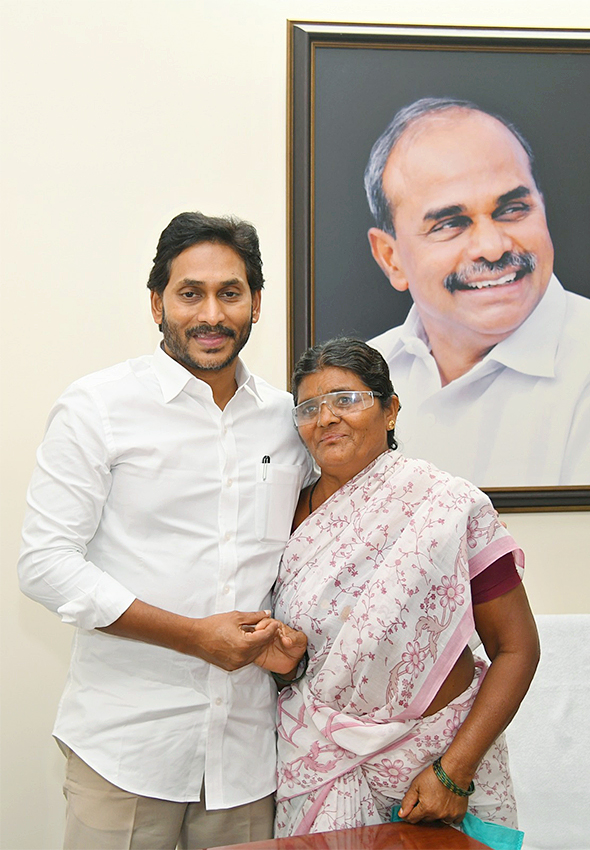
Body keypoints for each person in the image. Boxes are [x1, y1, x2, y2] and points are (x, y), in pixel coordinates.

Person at [17, 212, 313, 850]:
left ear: (256, 304)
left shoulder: (289, 422)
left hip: (247, 755)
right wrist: (192, 637)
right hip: (128, 748)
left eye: (230, 293)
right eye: (190, 293)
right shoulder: (97, 407)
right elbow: (44, 564)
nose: (212, 313)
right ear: (157, 303)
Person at [254, 337, 540, 837]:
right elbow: (308, 656)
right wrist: (287, 665)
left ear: (390, 410)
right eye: (309, 408)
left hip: (431, 769)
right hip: (319, 763)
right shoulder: (282, 515)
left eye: (347, 400)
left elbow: (517, 649)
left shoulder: (448, 506)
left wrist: (456, 771)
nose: (326, 419)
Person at [364, 97, 590, 488]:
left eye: (513, 209)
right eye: (451, 222)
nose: (492, 246)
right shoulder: (360, 378)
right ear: (391, 258)